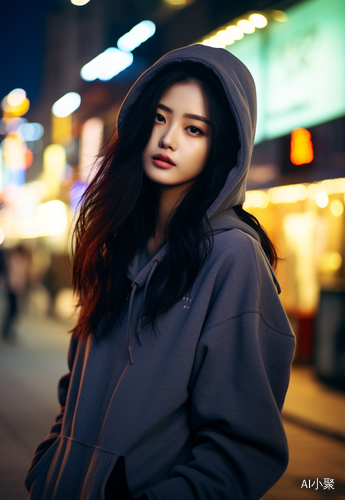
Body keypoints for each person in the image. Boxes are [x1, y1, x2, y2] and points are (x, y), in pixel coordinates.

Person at [25, 44, 295, 500]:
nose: (168, 138)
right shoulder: (117, 242)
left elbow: (242, 446)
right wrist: (51, 464)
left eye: (194, 129)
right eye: (160, 117)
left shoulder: (232, 257)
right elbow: (76, 387)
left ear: (222, 147)